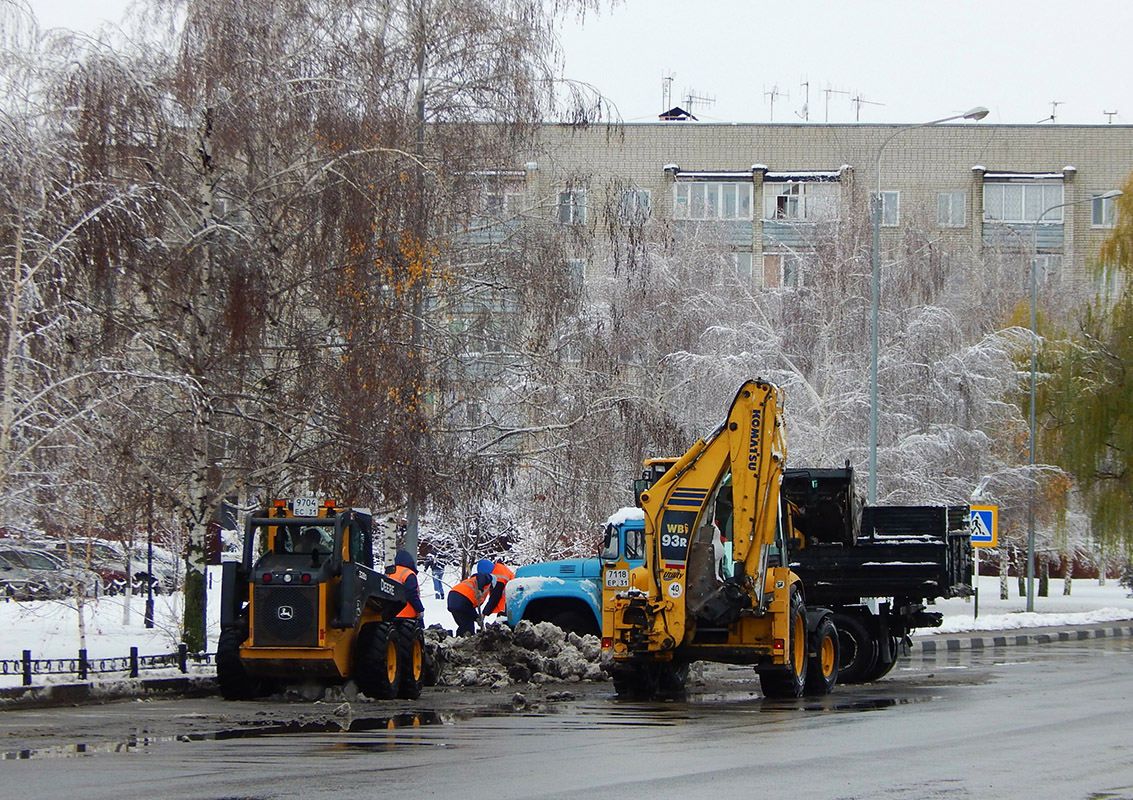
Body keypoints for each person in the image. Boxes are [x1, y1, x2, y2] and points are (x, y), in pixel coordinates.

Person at [447, 571, 493, 636]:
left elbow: (469, 608)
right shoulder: (488, 579)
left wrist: (476, 617)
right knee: (468, 628)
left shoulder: (472, 582)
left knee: (464, 625)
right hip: (462, 598)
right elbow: (481, 575)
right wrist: (480, 589)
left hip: (453, 599)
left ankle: (459, 641)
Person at [387, 549, 425, 625]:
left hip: (390, 614)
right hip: (407, 615)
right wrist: (420, 609)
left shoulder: (390, 572)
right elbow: (411, 594)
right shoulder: (408, 574)